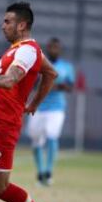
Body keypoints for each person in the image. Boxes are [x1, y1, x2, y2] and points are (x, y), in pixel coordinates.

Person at [0, 2, 59, 202]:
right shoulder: (21, 49)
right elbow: (50, 73)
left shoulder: (27, 51)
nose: (2, 25)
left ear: (22, 25)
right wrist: (34, 103)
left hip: (4, 126)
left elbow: (8, 82)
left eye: (7, 21)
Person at [27, 37, 75, 186]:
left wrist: (55, 86)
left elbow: (70, 87)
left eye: (57, 47)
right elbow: (32, 83)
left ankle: (48, 171)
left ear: (60, 49)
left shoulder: (66, 67)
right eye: (51, 47)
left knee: (52, 136)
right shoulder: (39, 65)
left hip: (56, 108)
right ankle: (41, 172)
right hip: (39, 107)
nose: (54, 50)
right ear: (47, 48)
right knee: (36, 140)